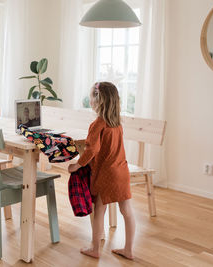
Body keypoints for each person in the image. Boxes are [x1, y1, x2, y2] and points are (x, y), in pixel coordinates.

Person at [68, 82, 135, 260]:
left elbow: (91, 150)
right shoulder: (117, 124)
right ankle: (128, 250)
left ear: (98, 101)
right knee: (127, 211)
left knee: (99, 210)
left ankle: (95, 248)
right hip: (122, 172)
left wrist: (77, 164)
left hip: (106, 174)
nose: (89, 99)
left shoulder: (97, 124)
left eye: (91, 96)